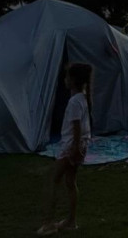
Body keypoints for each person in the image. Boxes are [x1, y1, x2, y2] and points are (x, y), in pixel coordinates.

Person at [37, 63, 93, 236]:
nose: (65, 80)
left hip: (71, 146)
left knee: (53, 181)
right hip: (79, 145)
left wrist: (74, 149)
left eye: (67, 77)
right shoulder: (83, 98)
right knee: (70, 182)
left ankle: (48, 223)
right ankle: (71, 221)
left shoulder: (74, 102)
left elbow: (76, 127)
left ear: (73, 80)